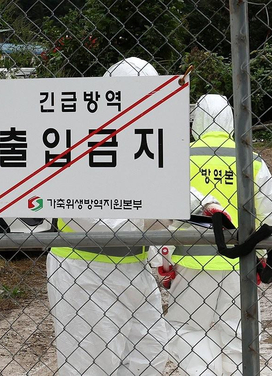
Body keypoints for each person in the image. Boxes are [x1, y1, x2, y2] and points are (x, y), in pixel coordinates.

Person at [47, 57, 168, 376]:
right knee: (92, 368)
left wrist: (204, 209)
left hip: (136, 270)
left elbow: (164, 200)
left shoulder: (146, 142)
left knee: (151, 360)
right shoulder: (76, 141)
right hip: (85, 270)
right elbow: (90, 218)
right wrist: (153, 213)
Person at [161, 94, 272, 375]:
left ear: (195, 122)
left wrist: (164, 261)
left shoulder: (180, 156)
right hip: (239, 263)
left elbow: (163, 214)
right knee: (238, 331)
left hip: (189, 262)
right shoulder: (249, 159)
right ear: (230, 121)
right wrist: (264, 258)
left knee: (188, 328)